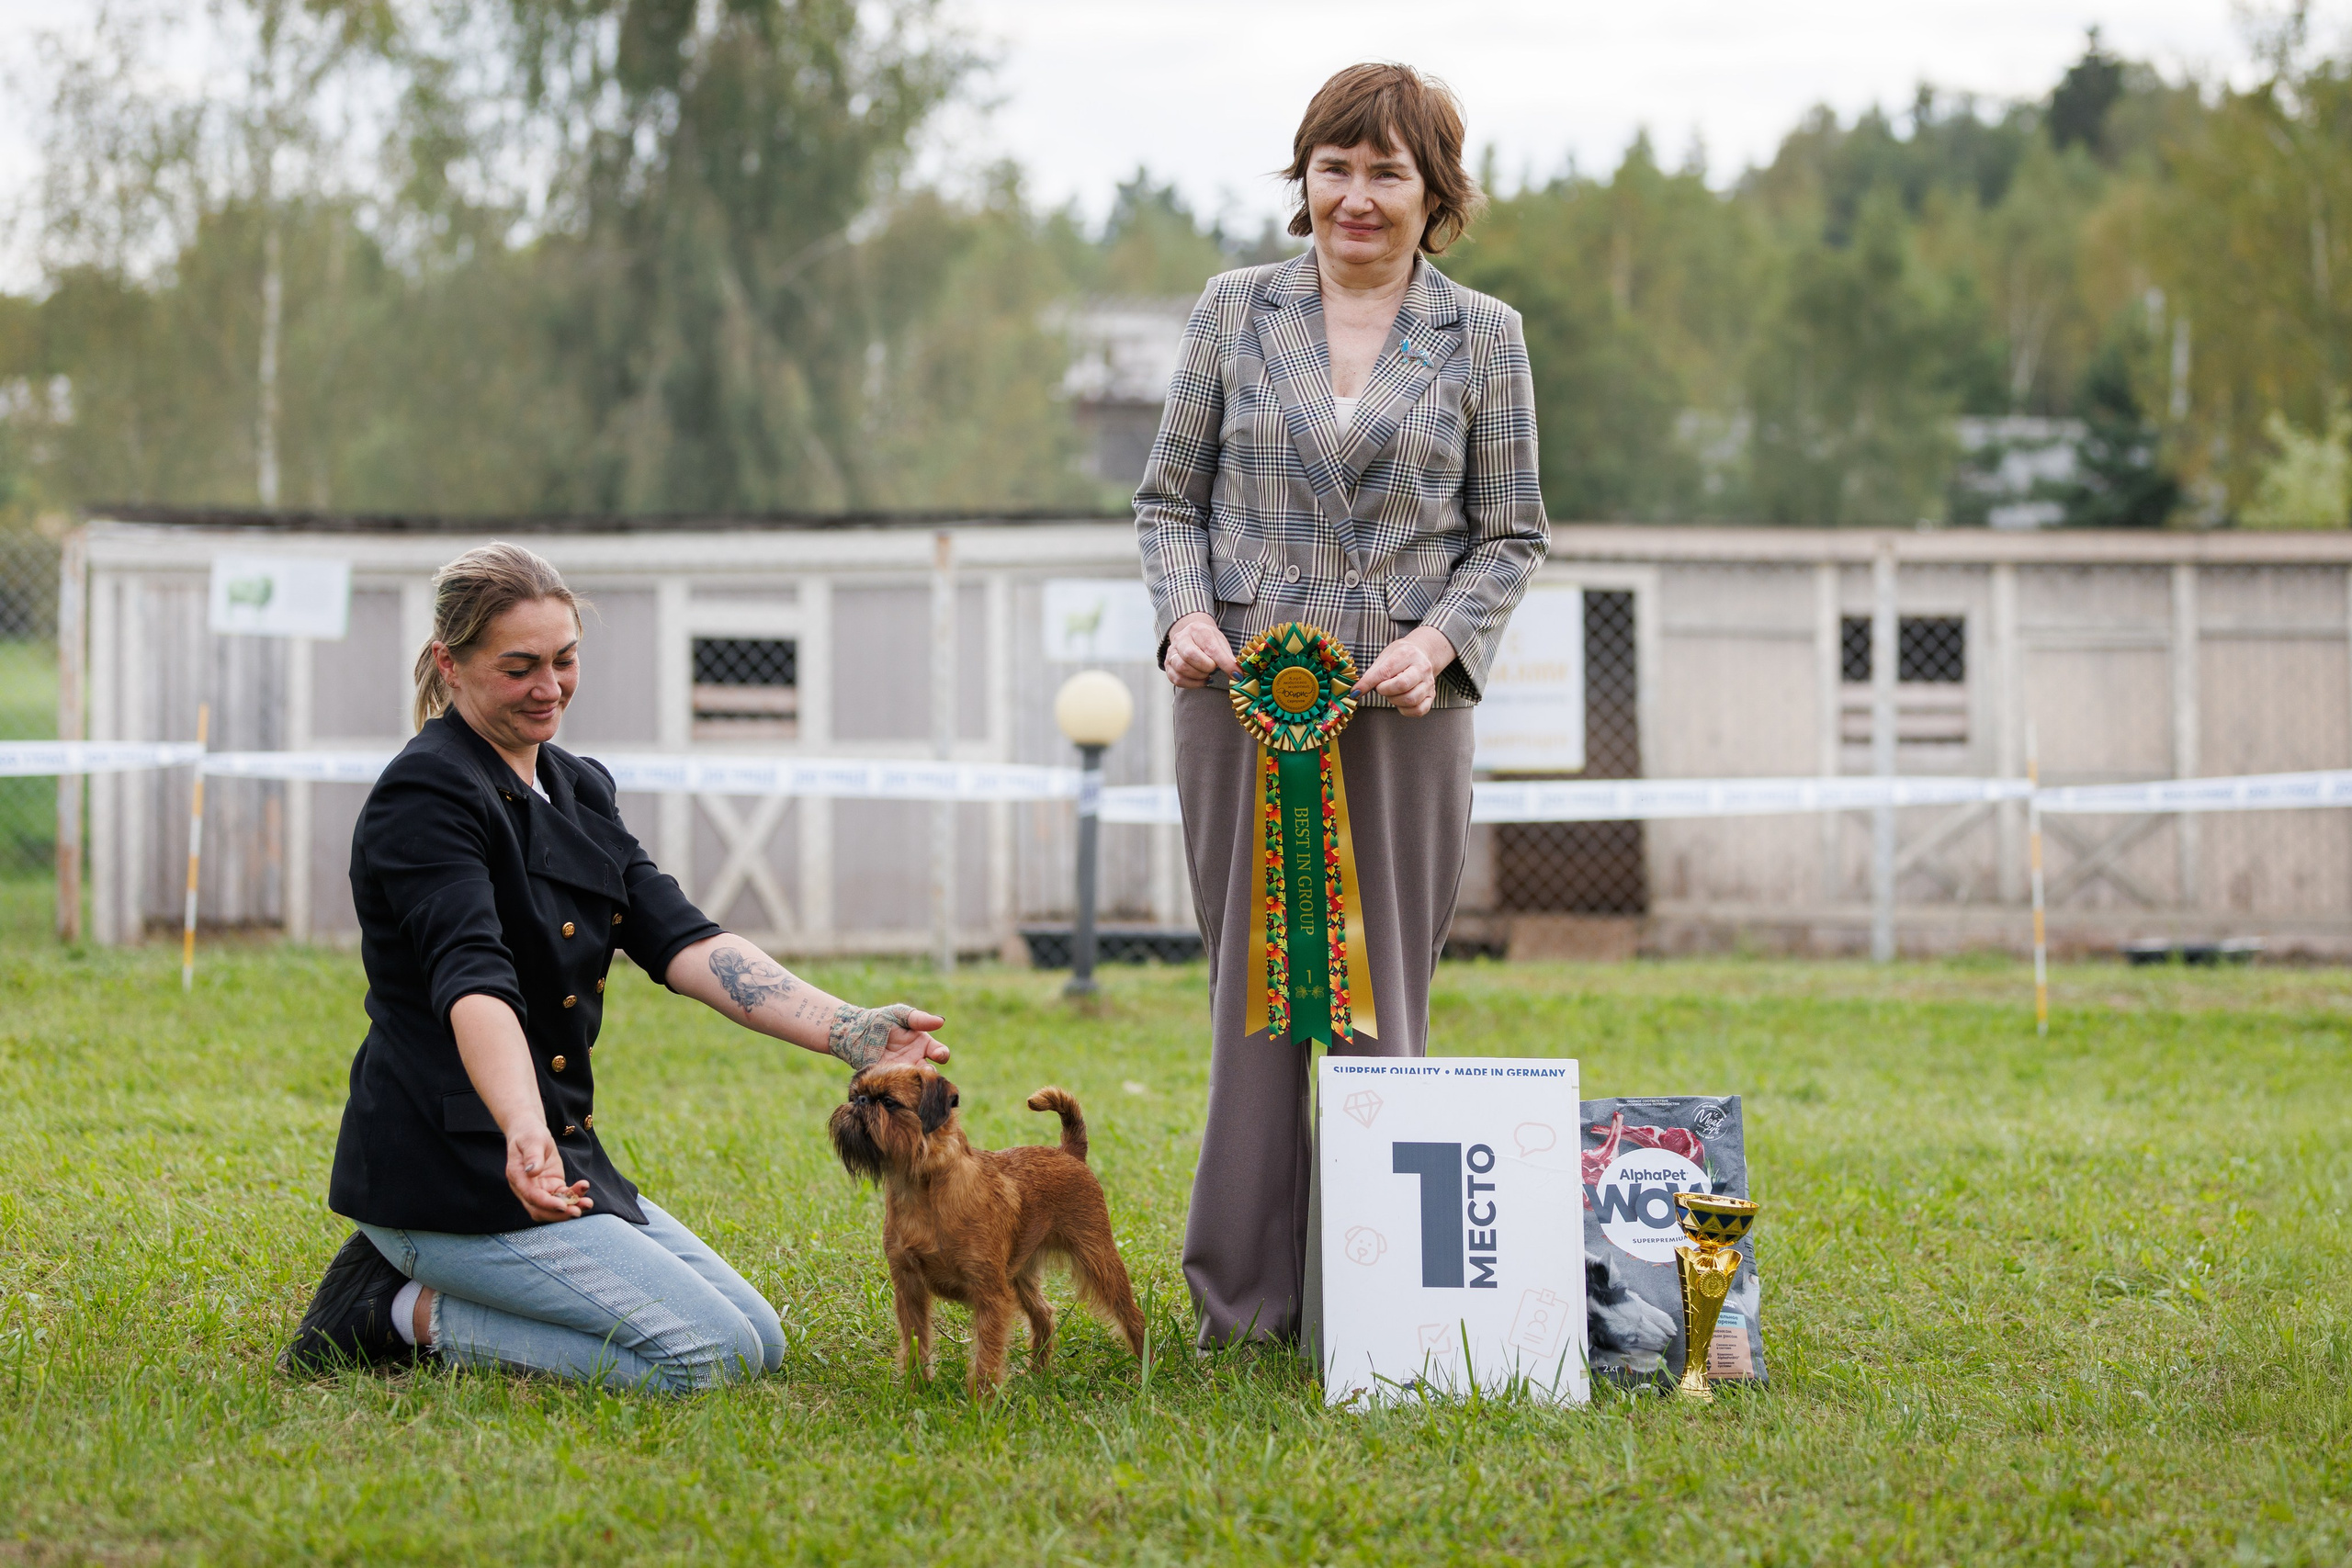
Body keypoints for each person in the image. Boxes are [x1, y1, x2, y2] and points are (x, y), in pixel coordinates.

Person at [282, 542, 949, 1393]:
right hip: (446, 1173)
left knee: (759, 1340)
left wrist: (853, 1030)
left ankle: (409, 1295)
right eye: (518, 666)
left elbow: (686, 941)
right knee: (709, 1357)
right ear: (450, 665)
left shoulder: (576, 786)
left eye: (564, 660)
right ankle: (393, 1311)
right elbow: (472, 979)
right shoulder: (426, 795)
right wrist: (524, 1131)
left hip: (559, 1155)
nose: (550, 686)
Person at [1134, 62, 1548, 1348]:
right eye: (1335, 167)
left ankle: (1386, 1303)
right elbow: (1167, 503)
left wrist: (1440, 642)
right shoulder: (1229, 311)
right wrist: (1186, 615)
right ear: (1303, 177)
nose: (1356, 197)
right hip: (1241, 700)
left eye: (1387, 173)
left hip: (1406, 709)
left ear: (1436, 195)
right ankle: (1245, 1305)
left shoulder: (1486, 334)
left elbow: (1513, 534)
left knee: (1386, 1000)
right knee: (1253, 993)